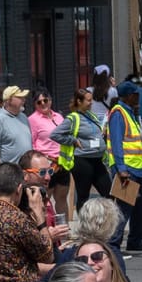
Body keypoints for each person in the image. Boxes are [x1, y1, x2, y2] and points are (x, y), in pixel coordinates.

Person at [107, 83, 142, 255]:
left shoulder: (131, 113)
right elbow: (116, 142)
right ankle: (114, 244)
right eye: (135, 95)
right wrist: (121, 168)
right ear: (127, 96)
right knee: (124, 208)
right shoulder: (118, 113)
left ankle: (135, 240)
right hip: (127, 169)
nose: (138, 98)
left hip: (138, 168)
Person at [52, 89, 111, 217]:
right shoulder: (73, 118)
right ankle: (85, 226)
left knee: (109, 192)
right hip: (82, 161)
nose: (91, 103)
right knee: (83, 195)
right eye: (88, 100)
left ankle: (107, 223)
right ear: (79, 101)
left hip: (97, 160)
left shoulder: (92, 116)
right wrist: (71, 140)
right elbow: (55, 134)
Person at [0, 85, 34, 165]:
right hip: (9, 173)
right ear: (9, 100)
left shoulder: (23, 117)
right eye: (20, 97)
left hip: (27, 171)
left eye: (24, 97)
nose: (24, 100)